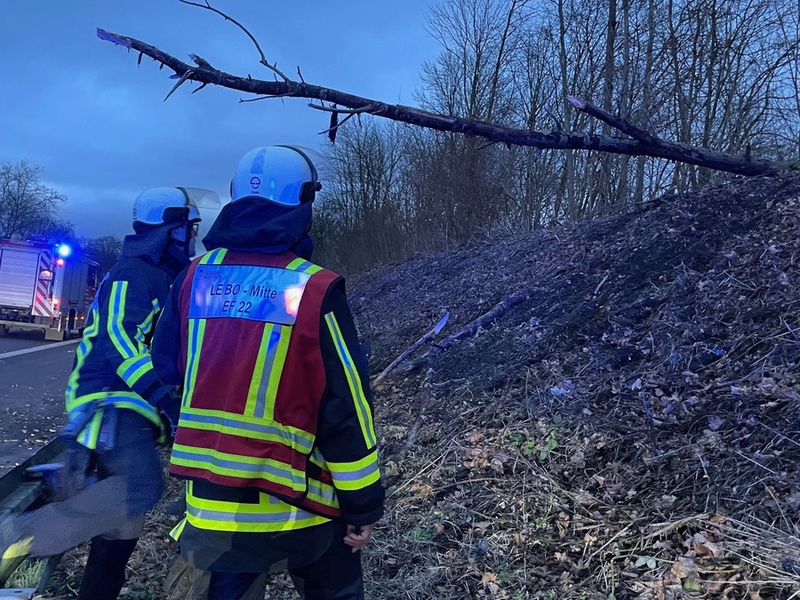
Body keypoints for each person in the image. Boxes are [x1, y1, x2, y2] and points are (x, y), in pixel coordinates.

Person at [152, 145, 385, 600]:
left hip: (214, 513)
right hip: (305, 512)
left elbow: (166, 374)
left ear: (237, 197)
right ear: (304, 202)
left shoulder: (192, 279)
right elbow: (347, 409)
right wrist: (362, 505)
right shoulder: (314, 288)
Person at [55, 187, 206, 600]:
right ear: (170, 230)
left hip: (131, 408)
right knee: (141, 487)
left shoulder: (166, 276)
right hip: (109, 401)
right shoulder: (134, 272)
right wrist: (163, 393)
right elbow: (118, 338)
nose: (193, 238)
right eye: (188, 229)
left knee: (125, 522)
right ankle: (28, 532)